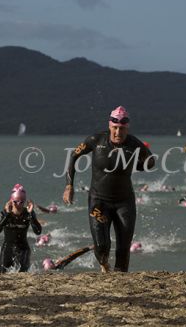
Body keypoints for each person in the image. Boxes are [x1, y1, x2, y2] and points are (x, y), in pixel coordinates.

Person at [63, 106, 155, 273]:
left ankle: (121, 281)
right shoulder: (95, 140)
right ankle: (104, 267)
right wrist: (69, 186)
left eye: (122, 129)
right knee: (102, 246)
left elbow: (151, 162)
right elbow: (74, 156)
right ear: (109, 126)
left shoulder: (134, 144)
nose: (118, 132)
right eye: (115, 128)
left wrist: (140, 164)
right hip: (99, 201)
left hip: (124, 202)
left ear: (127, 128)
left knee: (123, 248)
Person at [0, 184, 42, 273]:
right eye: (15, 202)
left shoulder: (28, 214)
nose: (18, 205)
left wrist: (31, 215)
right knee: (2, 276)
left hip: (23, 249)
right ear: (11, 201)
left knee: (22, 275)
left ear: (24, 202)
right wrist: (7, 215)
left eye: (21, 202)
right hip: (7, 248)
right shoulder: (5, 213)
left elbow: (38, 231)